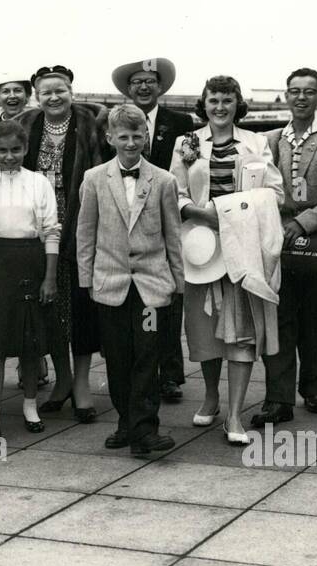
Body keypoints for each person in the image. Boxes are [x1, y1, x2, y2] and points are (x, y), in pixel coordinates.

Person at [171, 76, 284, 444]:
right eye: (213, 100)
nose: (219, 107)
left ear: (238, 104)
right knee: (204, 331)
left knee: (241, 332)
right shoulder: (186, 143)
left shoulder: (256, 142)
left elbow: (276, 193)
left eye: (227, 100)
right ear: (202, 104)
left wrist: (233, 211)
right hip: (201, 248)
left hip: (242, 246)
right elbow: (176, 194)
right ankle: (210, 396)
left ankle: (235, 416)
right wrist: (202, 215)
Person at [79, 104, 185, 456]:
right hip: (110, 284)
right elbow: (86, 233)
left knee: (147, 353)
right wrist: (87, 280)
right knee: (118, 357)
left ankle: (145, 430)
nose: (130, 143)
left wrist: (178, 282)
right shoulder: (94, 179)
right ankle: (127, 422)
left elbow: (173, 235)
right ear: (110, 138)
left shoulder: (164, 181)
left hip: (151, 289)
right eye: (122, 137)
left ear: (147, 138)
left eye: (137, 136)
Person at [252, 68, 317, 425]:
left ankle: (314, 389)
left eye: (309, 92)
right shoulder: (268, 140)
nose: (301, 98)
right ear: (286, 95)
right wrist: (276, 225)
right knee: (278, 320)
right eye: (294, 91)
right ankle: (278, 398)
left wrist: (303, 222)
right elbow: (260, 189)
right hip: (276, 241)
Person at [16, 66, 111, 421]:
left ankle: (83, 384)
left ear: (72, 90)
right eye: (46, 92)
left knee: (82, 309)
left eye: (61, 90)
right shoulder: (26, 124)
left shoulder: (90, 123)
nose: (53, 97)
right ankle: (63, 380)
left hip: (82, 225)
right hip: (37, 229)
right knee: (50, 309)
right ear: (36, 96)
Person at [110, 57, 196, 404]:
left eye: (150, 81)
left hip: (165, 214)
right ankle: (139, 371)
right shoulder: (117, 122)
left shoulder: (181, 122)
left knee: (168, 299)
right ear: (128, 89)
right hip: (129, 221)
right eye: (137, 82)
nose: (144, 87)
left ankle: (170, 373)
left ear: (160, 87)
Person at [0, 119, 60, 449]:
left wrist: (49, 277)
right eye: (2, 151)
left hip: (31, 260)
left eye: (16, 150)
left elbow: (51, 230)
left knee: (29, 339)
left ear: (26, 149)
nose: (9, 156)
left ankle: (29, 406)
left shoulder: (39, 183)